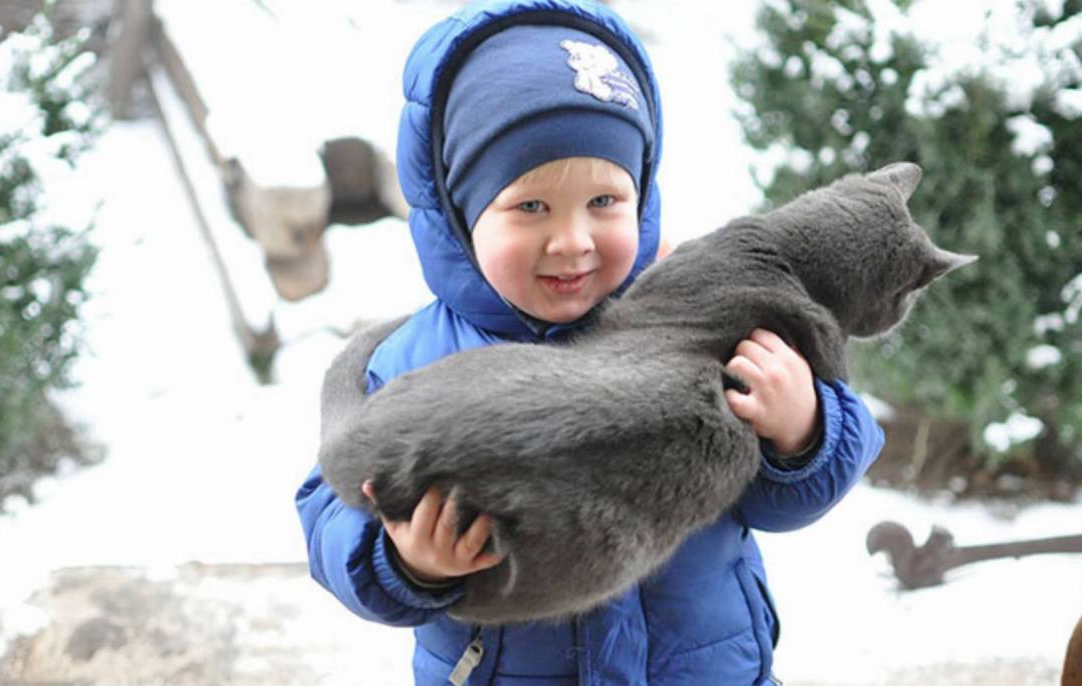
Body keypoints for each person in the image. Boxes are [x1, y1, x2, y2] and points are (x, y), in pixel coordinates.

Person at [295, 1, 884, 683]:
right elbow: (327, 515)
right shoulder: (411, 366)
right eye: (530, 207)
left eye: (605, 202)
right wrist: (404, 564)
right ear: (459, 213)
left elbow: (784, 502)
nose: (572, 240)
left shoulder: (698, 321)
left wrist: (803, 432)